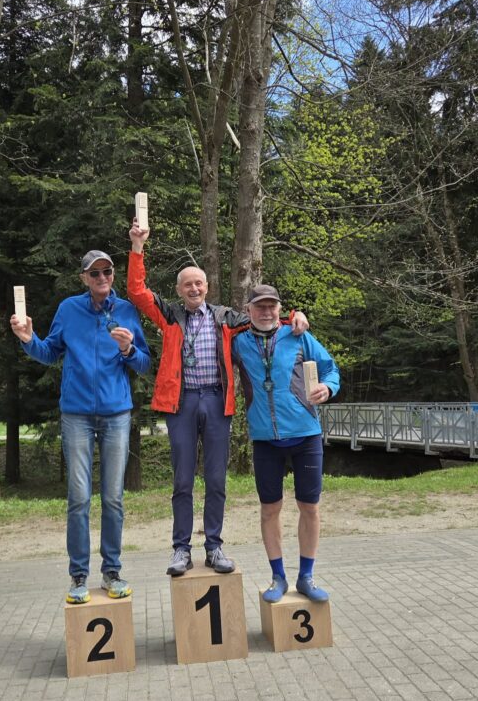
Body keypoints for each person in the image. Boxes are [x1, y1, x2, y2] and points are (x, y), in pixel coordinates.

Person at [127, 223, 309, 577]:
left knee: (215, 479)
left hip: (215, 401)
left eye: (199, 283)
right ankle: (181, 549)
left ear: (207, 287)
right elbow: (137, 291)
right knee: (182, 480)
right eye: (187, 285)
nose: (194, 289)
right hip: (181, 404)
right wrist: (137, 247)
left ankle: (213, 545)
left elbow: (264, 319)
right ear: (179, 291)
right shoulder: (170, 316)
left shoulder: (225, 317)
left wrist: (294, 317)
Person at [10, 250, 150, 604]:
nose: (102, 277)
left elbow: (145, 364)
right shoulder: (69, 309)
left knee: (113, 498)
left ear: (113, 275)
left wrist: (129, 349)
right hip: (76, 416)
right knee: (79, 498)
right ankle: (78, 576)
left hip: (117, 415)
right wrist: (27, 339)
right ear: (84, 278)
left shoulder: (127, 311)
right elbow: (49, 352)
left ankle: (112, 571)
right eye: (94, 273)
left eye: (107, 271)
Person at [232, 285, 340, 603]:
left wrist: (328, 387)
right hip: (265, 439)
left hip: (305, 434)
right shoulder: (238, 342)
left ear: (280, 309)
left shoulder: (299, 335)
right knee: (270, 509)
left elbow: (330, 369)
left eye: (272, 306)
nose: (266, 312)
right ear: (248, 310)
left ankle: (306, 576)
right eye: (260, 306)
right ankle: (278, 577)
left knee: (310, 507)